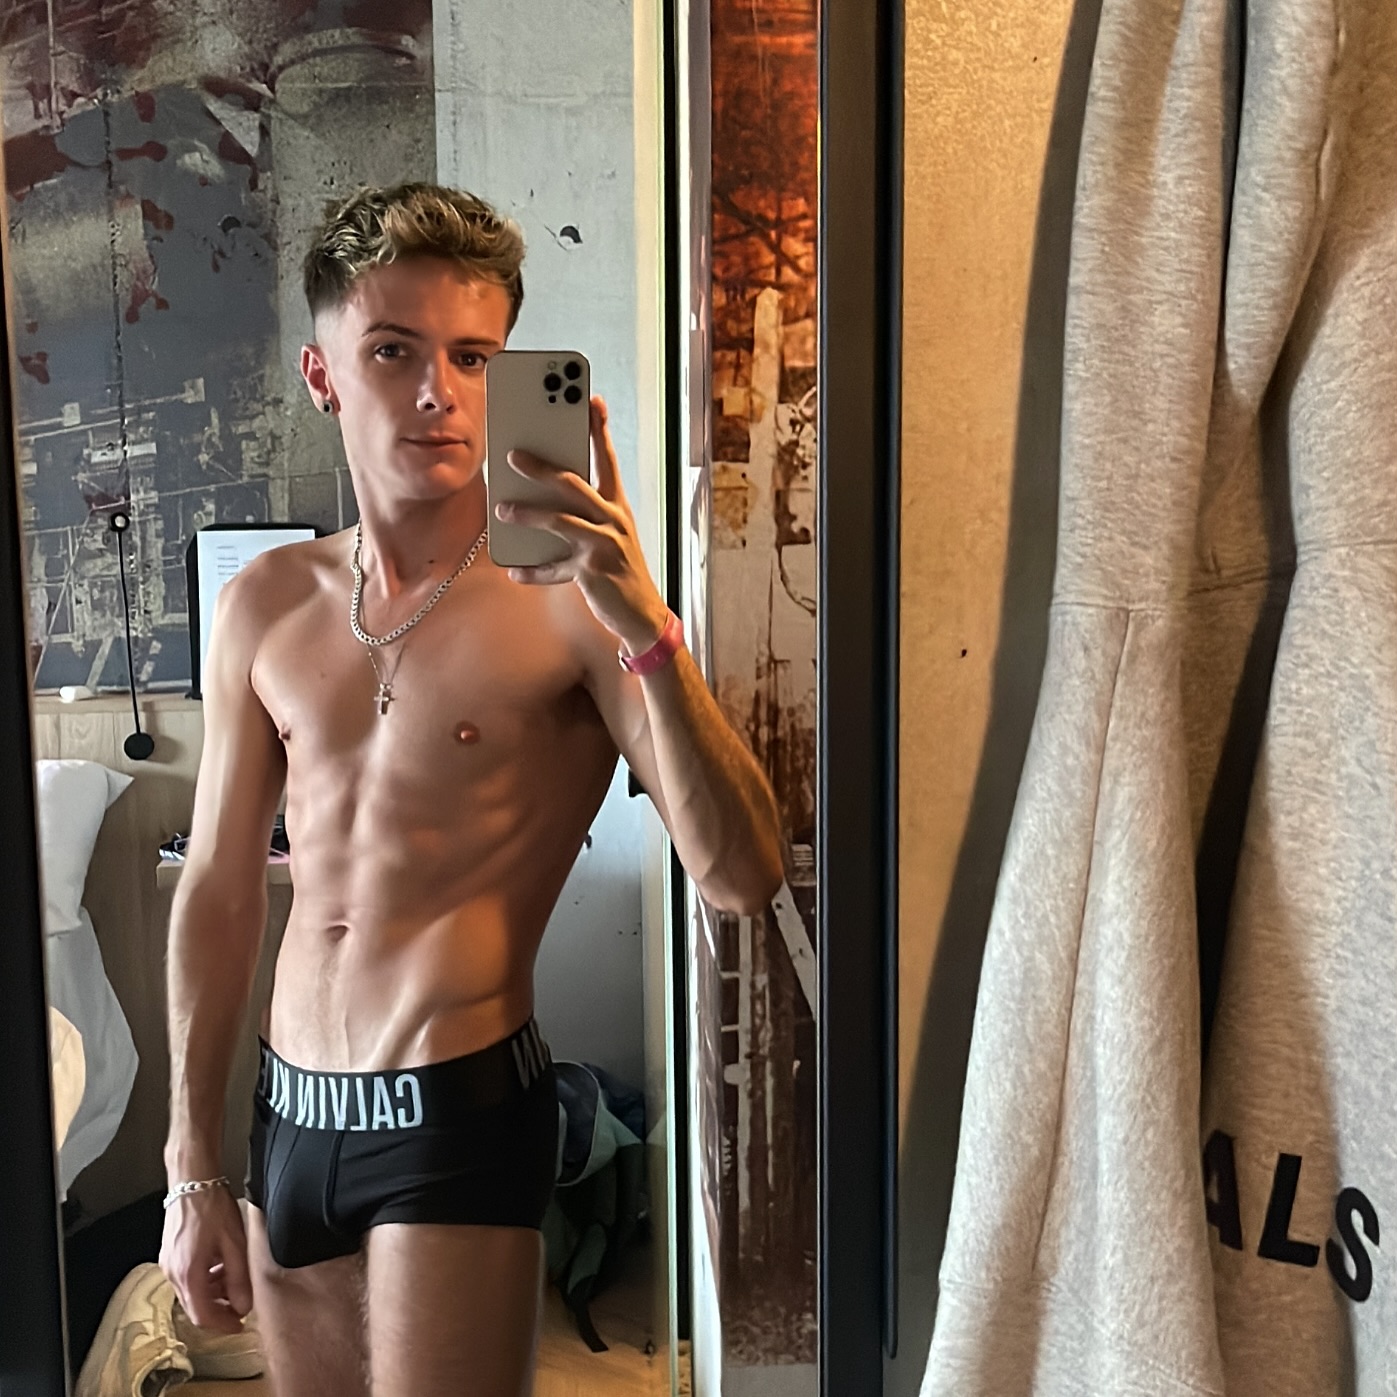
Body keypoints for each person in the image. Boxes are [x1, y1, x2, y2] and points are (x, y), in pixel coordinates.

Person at [158, 182, 785, 1397]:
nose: (437, 390)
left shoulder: (572, 606)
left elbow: (741, 872)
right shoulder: (265, 604)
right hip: (289, 1120)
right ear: (323, 374)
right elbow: (220, 888)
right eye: (393, 351)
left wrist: (646, 623)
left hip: (452, 1113)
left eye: (472, 356)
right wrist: (193, 1164)